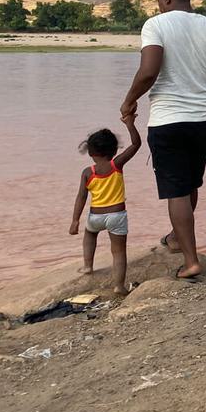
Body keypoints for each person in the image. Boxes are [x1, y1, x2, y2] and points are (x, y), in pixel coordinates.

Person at [120, 0, 206, 281]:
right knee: (189, 185)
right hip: (204, 121)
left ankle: (191, 261)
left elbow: (148, 72)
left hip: (168, 120)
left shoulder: (156, 25)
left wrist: (129, 100)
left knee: (176, 191)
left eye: (159, 1)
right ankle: (176, 238)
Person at [69, 115, 142, 295]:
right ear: (114, 150)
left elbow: (81, 197)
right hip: (117, 215)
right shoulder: (116, 164)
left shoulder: (88, 172)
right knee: (118, 252)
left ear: (91, 152)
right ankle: (119, 285)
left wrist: (75, 220)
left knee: (90, 234)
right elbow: (136, 144)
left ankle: (87, 266)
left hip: (95, 216)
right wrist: (130, 125)